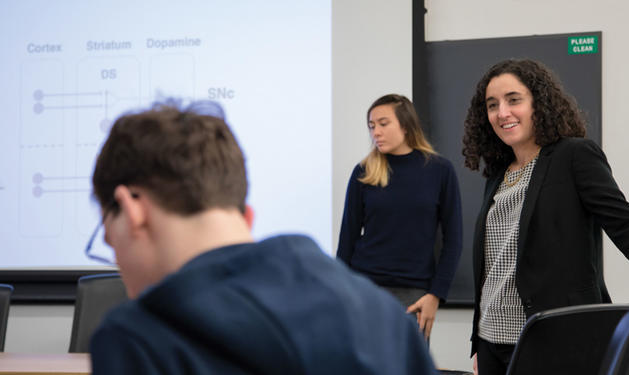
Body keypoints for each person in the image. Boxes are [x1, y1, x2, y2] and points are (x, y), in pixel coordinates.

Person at [87, 100, 438, 374]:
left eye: (107, 237)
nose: (116, 257)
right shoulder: (383, 319)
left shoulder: (137, 339)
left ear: (132, 211)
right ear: (244, 217)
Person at [463, 59, 629, 375]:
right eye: (492, 105)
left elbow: (626, 226)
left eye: (514, 100)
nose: (502, 113)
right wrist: (479, 342)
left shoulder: (574, 155)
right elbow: (492, 265)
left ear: (539, 103)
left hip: (555, 339)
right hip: (491, 342)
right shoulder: (498, 174)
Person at [337, 94, 463, 338]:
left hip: (415, 295)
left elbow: (454, 240)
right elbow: (347, 238)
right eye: (372, 126)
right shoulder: (364, 171)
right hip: (364, 290)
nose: (376, 132)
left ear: (405, 126)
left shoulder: (439, 170)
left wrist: (436, 294)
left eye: (384, 124)